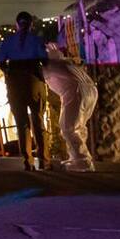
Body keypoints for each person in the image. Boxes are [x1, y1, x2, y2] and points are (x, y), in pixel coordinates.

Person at [0, 11, 49, 171]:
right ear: (31, 24)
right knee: (38, 121)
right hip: (33, 79)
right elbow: (45, 61)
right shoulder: (36, 40)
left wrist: (10, 73)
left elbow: (1, 62)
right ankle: (44, 160)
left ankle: (28, 162)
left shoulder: (8, 41)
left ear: (17, 25)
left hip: (14, 82)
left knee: (21, 123)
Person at [42, 43, 98, 172]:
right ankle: (79, 158)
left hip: (76, 92)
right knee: (79, 126)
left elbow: (39, 75)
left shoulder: (50, 66)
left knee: (68, 128)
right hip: (90, 90)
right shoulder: (66, 63)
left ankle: (82, 161)